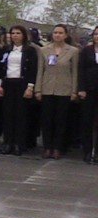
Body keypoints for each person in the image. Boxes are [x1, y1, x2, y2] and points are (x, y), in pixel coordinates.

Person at [36, 24, 79, 159]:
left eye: (60, 33)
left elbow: (75, 72)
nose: (57, 35)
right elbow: (40, 70)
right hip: (47, 88)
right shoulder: (44, 50)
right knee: (47, 120)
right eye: (55, 33)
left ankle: (57, 148)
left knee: (61, 120)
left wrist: (74, 91)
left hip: (64, 90)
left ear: (65, 35)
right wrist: (38, 89)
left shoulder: (73, 51)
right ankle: (47, 147)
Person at [0, 25, 39, 156]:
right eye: (13, 33)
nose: (15, 36)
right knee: (8, 114)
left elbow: (33, 70)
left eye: (18, 33)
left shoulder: (30, 50)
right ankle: (8, 142)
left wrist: (30, 87)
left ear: (23, 35)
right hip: (8, 83)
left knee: (21, 115)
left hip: (22, 84)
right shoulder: (6, 49)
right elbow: (0, 68)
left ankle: (19, 144)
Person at [77, 26, 98, 163]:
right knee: (87, 121)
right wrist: (81, 88)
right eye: (96, 34)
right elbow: (81, 70)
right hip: (89, 90)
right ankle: (87, 151)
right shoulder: (86, 51)